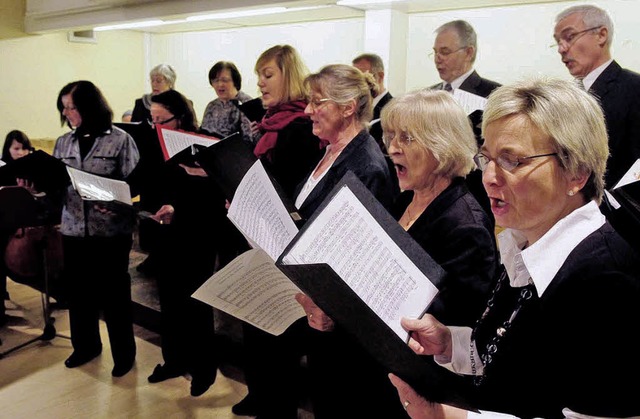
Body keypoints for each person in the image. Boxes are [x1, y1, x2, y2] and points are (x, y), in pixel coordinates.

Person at [389, 78, 640, 418]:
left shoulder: (607, 281)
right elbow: (509, 355)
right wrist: (450, 343)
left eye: (513, 161)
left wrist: (451, 417)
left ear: (576, 173)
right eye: (487, 158)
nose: (489, 177)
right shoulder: (527, 242)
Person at [293, 63, 398, 419]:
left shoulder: (366, 164)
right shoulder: (329, 150)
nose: (308, 110)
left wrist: (329, 306)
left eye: (317, 102)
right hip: (315, 301)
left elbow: (362, 255)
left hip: (341, 319)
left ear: (348, 107)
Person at [232, 44, 324, 419]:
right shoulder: (269, 124)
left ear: (289, 75)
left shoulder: (300, 126)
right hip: (258, 238)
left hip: (284, 244)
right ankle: (261, 395)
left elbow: (291, 191)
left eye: (267, 75)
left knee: (279, 336)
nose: (260, 83)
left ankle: (277, 405)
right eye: (258, 76)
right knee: (256, 326)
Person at [382, 89, 498, 327]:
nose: (392, 148)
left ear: (441, 145)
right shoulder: (405, 200)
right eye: (391, 137)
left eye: (406, 138)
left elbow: (458, 318)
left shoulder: (466, 226)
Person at [53, 80, 140, 377]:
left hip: (111, 232)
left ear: (89, 107)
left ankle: (124, 355)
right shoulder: (64, 142)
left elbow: (136, 186)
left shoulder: (120, 140)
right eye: (63, 108)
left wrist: (115, 202)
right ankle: (85, 346)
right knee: (79, 293)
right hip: (74, 229)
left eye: (72, 107)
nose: (67, 114)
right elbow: (56, 184)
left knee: (114, 296)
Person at [144, 89, 222, 397]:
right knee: (169, 300)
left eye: (164, 120)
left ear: (182, 117)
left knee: (196, 303)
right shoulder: (154, 141)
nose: (158, 127)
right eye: (153, 120)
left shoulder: (205, 142)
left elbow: (214, 196)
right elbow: (155, 183)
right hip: (165, 231)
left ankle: (204, 368)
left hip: (197, 234)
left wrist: (180, 203)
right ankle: (174, 360)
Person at [553, 5, 640, 190]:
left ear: (601, 35)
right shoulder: (569, 98)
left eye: (569, 37)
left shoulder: (633, 87)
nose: (561, 48)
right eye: (558, 41)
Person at [430, 20, 500, 222]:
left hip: (473, 193)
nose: (437, 59)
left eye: (444, 52)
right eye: (434, 52)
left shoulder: (494, 94)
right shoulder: (428, 95)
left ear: (469, 52)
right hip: (432, 190)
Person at [352, 52, 400, 198]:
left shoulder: (393, 110)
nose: (358, 85)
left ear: (380, 76)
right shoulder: (358, 109)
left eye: (362, 77)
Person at [1, 130, 34, 325]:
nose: (21, 153)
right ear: (8, 149)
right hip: (7, 225)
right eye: (16, 149)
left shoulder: (33, 168)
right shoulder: (4, 170)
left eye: (24, 148)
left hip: (30, 224)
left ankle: (60, 293)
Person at [200, 61, 257, 145]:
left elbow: (249, 140)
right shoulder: (211, 105)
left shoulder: (247, 104)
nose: (220, 84)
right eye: (215, 80)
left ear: (235, 81)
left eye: (224, 80)